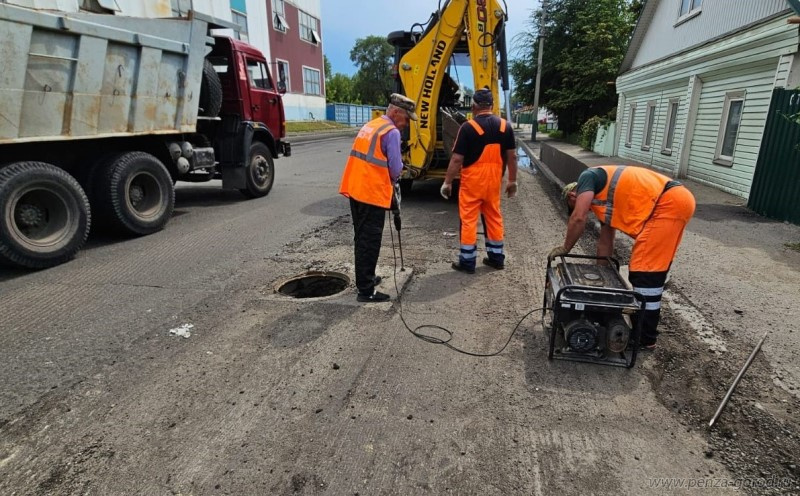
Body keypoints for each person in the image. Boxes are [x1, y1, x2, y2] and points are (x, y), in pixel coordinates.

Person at [549, 165, 696, 349]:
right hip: (672, 202)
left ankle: (645, 338)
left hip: (667, 203)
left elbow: (578, 218)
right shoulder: (604, 200)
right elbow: (606, 241)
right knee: (649, 271)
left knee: (645, 273)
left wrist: (565, 248)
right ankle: (644, 333)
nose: (587, 210)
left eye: (573, 205)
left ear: (572, 196)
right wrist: (602, 277)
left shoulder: (588, 176)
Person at [339, 93, 417, 302]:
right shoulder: (391, 132)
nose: (407, 123)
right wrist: (399, 170)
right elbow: (395, 169)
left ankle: (367, 277)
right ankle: (366, 290)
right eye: (406, 118)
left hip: (356, 189)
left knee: (361, 237)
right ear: (396, 112)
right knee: (369, 241)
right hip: (371, 193)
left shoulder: (372, 125)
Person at [440, 87, 518, 274]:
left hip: (472, 183)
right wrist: (512, 181)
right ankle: (496, 258)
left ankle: (467, 262)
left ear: (474, 106)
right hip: (493, 182)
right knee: (493, 217)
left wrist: (447, 182)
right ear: (492, 105)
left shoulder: (468, 128)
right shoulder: (505, 126)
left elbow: (457, 159)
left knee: (468, 220)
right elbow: (512, 157)